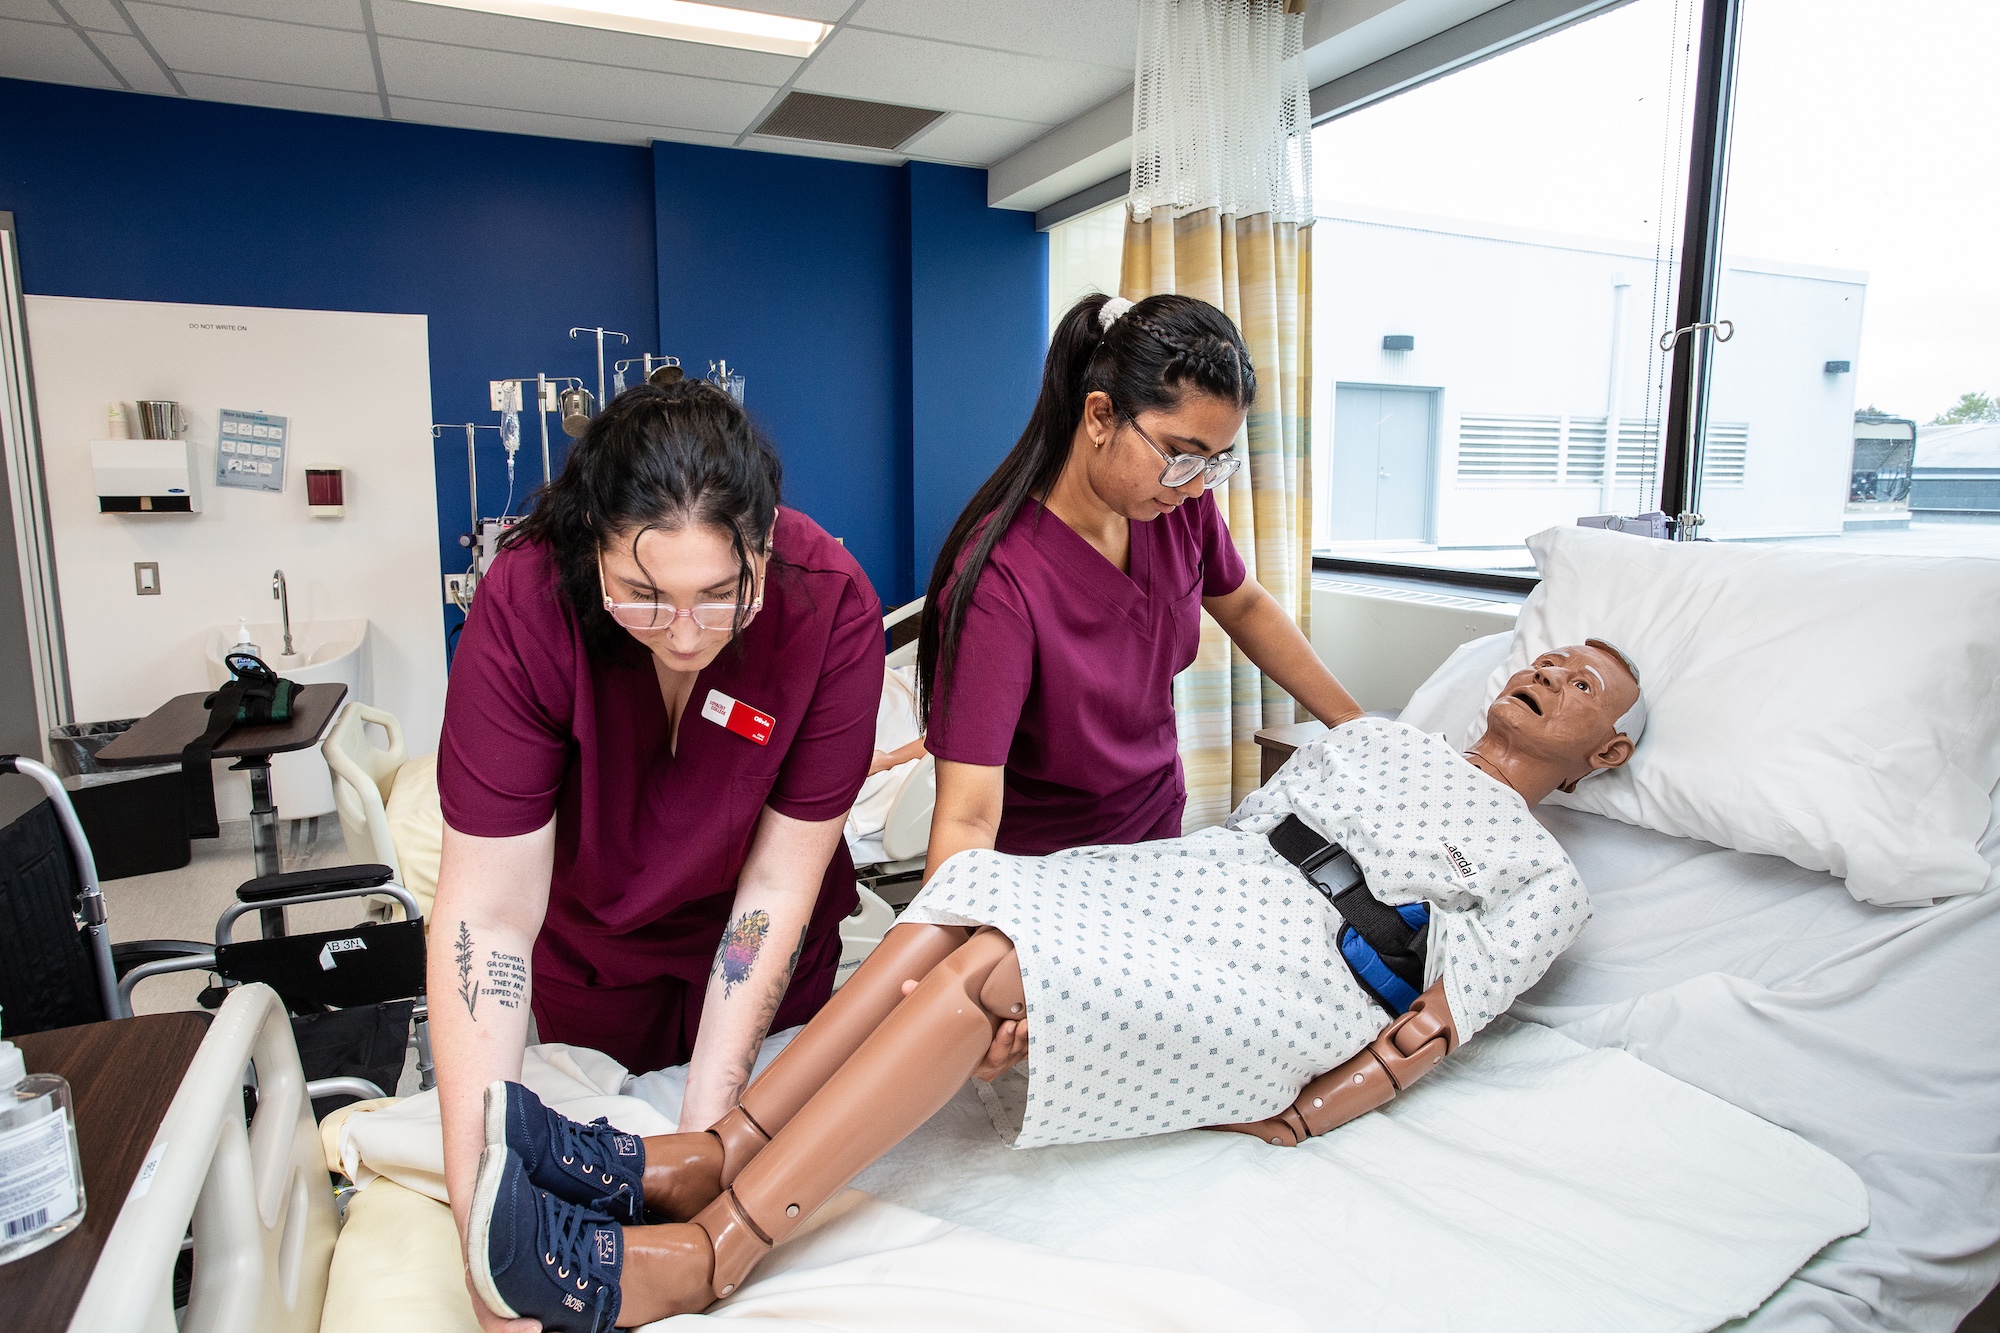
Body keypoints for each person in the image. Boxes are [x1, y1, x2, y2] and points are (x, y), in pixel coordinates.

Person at [463, 641, 1646, 1329]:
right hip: (1201, 886)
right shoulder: (1375, 738)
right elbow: (1244, 830)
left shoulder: (1541, 876)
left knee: (991, 968)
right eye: (1549, 654)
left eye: (1583, 684)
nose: (1550, 671)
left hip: (1299, 981)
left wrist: (1302, 1112)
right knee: (965, 895)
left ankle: (712, 1251)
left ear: (1605, 754)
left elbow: (1429, 1026)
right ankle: (707, 1153)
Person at [428, 381, 883, 1329]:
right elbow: (489, 917)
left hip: (761, 978)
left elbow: (775, 887)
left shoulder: (829, 607)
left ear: (763, 550)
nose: (683, 637)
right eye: (644, 597)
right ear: (592, 548)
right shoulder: (524, 599)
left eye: (720, 598)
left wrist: (705, 1147)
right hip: (592, 977)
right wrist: (484, 1241)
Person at [917, 292, 1365, 873]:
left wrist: (1355, 726)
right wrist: (941, 944)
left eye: (1216, 462)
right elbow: (967, 819)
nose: (1197, 486)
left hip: (1159, 834)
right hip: (1047, 871)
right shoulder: (1000, 582)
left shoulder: (1176, 507)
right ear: (1101, 416)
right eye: (1183, 454)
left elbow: (1246, 605)